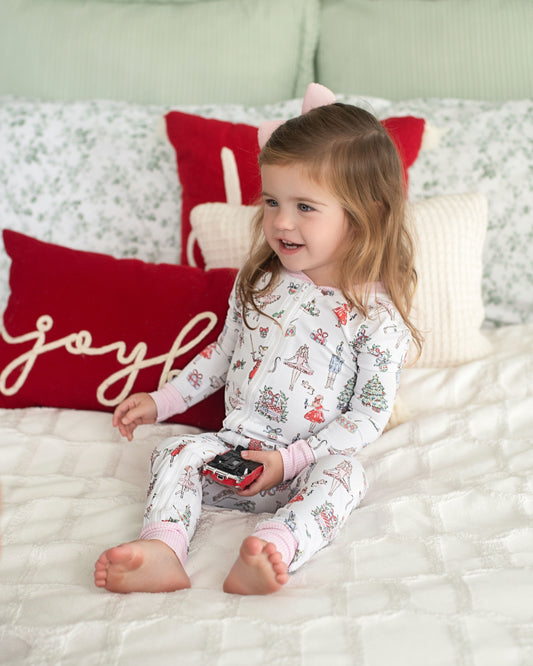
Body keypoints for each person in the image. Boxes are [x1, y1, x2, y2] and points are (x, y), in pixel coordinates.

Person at [94, 84, 422, 596]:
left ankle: (273, 546)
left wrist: (290, 463)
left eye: (305, 207)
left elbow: (366, 417)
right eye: (272, 201)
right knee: (173, 453)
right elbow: (221, 356)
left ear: (366, 213)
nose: (281, 222)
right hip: (235, 454)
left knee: (347, 478)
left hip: (303, 464)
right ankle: (164, 546)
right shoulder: (262, 285)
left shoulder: (376, 321)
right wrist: (162, 402)